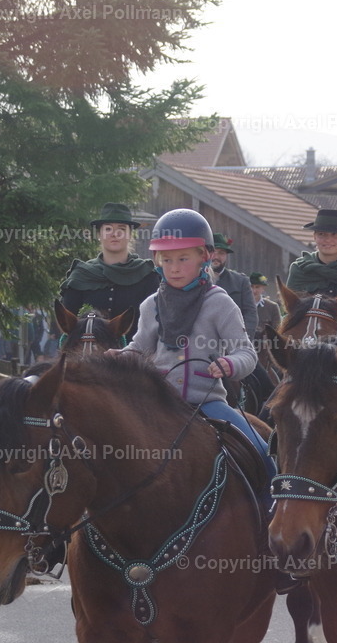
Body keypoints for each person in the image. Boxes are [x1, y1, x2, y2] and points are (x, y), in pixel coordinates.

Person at [117, 209, 273, 474]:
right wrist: (116, 358)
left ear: (205, 257)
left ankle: (272, 507)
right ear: (157, 261)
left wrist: (229, 364)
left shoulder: (220, 303)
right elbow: (138, 350)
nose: (174, 267)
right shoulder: (149, 305)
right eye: (167, 260)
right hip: (157, 404)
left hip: (209, 404)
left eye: (183, 258)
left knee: (263, 452)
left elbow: (246, 353)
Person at [60, 202, 160, 341]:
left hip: (136, 357)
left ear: (130, 234)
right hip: (90, 358)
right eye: (108, 229)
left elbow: (156, 323)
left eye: (121, 229)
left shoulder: (147, 275)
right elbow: (68, 326)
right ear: (99, 234)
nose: (114, 234)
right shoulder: (80, 275)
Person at [286, 209, 337, 297]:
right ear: (314, 236)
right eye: (322, 234)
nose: (328, 240)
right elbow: (290, 305)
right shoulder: (300, 269)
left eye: (335, 234)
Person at [210, 233, 257, 339]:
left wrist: (243, 342)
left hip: (232, 342)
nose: (216, 257)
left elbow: (250, 314)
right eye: (213, 252)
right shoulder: (194, 279)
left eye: (221, 253)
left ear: (226, 256)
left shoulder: (241, 282)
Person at [249, 272, 282, 340]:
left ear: (263, 288)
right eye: (251, 287)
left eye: (257, 287)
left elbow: (277, 331)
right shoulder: (240, 305)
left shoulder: (273, 307)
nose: (254, 290)